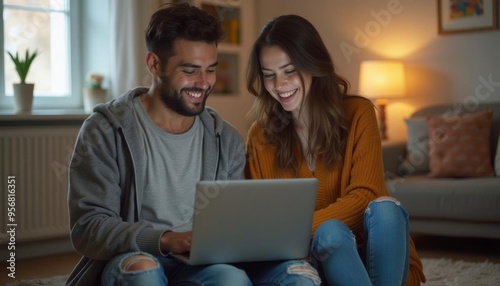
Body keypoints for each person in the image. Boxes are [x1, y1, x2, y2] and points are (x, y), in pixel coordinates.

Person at [67, 4, 320, 286]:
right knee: (145, 272)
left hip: (201, 263)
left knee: (232, 279)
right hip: (137, 255)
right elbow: (87, 228)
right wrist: (164, 240)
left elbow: (234, 225)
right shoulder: (105, 129)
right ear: (154, 64)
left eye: (211, 69)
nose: (203, 82)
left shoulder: (226, 139)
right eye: (190, 70)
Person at [245, 14, 426, 286]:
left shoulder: (358, 112)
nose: (280, 85)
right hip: (315, 263)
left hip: (380, 259)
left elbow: (367, 194)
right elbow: (263, 221)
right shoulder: (260, 136)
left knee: (386, 208)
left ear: (313, 64)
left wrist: (294, 230)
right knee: (330, 232)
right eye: (269, 75)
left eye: (290, 70)